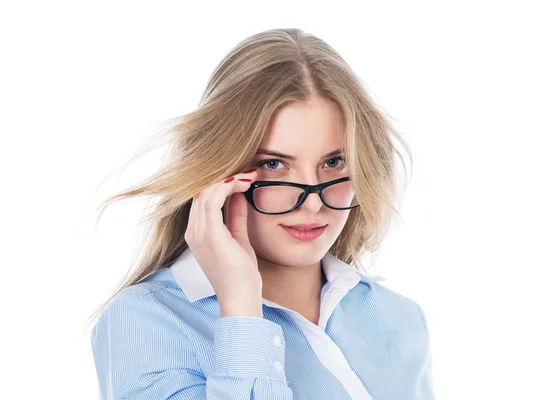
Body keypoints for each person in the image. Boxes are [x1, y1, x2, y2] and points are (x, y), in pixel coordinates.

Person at [88, 27, 435, 399]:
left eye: (333, 162)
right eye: (273, 164)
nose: (313, 202)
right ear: (219, 172)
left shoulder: (396, 316)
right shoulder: (146, 322)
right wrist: (240, 307)